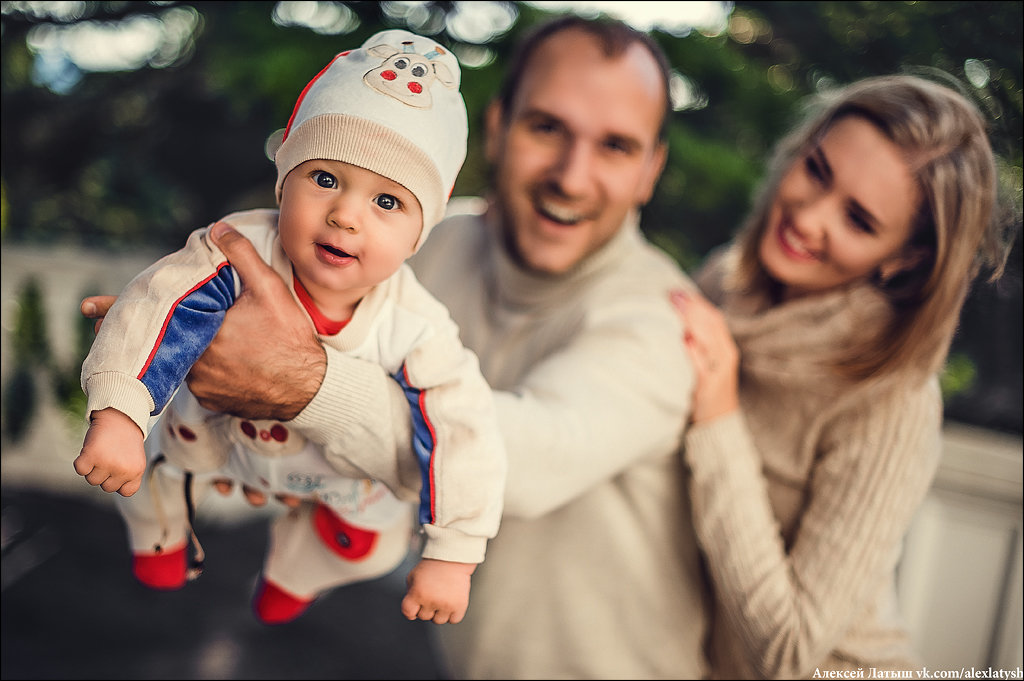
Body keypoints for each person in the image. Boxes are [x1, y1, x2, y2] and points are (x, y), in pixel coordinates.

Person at [85, 15, 709, 680]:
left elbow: (525, 461)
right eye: (547, 127)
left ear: (651, 170)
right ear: (497, 127)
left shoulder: (663, 320)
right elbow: (286, 336)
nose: (572, 175)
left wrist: (303, 386)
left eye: (616, 146)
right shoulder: (422, 242)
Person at [74, 28, 506, 627]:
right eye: (325, 179)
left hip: (331, 476)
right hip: (216, 446)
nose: (346, 215)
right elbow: (160, 300)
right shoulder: (239, 247)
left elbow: (466, 427)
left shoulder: (416, 324)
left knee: (378, 543)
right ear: (285, 182)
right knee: (147, 469)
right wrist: (119, 412)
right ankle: (161, 532)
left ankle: (297, 569)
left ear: (419, 234)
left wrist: (454, 554)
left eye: (388, 202)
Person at [671, 73, 1017, 678]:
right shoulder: (723, 283)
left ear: (904, 259)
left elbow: (790, 650)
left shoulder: (894, 400)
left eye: (858, 219)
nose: (808, 218)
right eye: (817, 171)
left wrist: (719, 415)